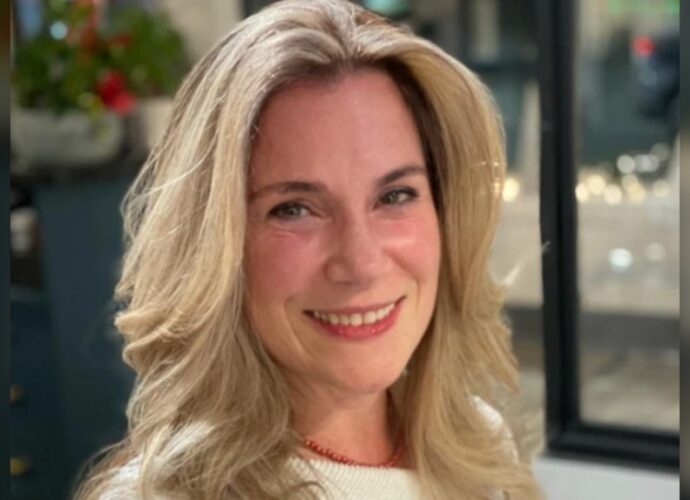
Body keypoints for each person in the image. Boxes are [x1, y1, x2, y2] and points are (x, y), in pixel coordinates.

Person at [75, 0, 542, 498]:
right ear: (215, 244)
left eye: (394, 196)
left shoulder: (478, 442)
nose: (361, 264)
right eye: (294, 209)